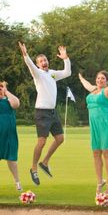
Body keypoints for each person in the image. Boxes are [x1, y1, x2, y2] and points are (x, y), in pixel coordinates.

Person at [18, 41, 71, 185]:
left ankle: (45, 162)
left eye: (45, 60)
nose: (44, 62)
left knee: (60, 138)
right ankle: (33, 168)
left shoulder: (52, 74)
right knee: (41, 142)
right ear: (38, 64)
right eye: (41, 61)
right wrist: (25, 54)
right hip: (41, 112)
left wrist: (65, 58)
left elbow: (67, 72)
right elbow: (30, 65)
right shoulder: (38, 74)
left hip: (53, 112)